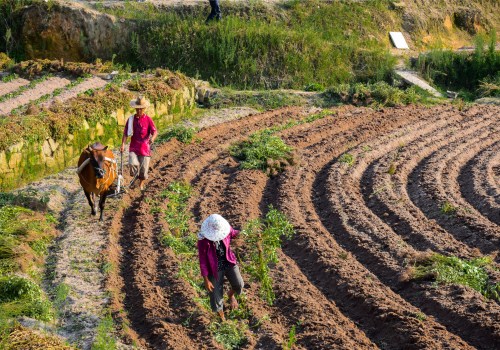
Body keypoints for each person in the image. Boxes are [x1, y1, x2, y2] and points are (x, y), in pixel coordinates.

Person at [197, 214, 244, 321]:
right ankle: (222, 319)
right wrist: (206, 279)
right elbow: (203, 261)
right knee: (216, 295)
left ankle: (231, 295)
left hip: (228, 262)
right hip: (214, 268)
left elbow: (234, 233)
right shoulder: (203, 241)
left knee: (239, 284)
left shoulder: (226, 230)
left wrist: (248, 234)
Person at [120, 96, 158, 191]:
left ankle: (140, 184)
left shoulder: (148, 120)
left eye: (141, 109)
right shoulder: (131, 120)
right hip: (134, 147)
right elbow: (125, 133)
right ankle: (135, 178)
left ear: (144, 109)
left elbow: (155, 131)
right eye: (138, 109)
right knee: (132, 163)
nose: (139, 111)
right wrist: (123, 144)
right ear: (135, 108)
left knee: (144, 170)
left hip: (145, 148)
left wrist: (152, 138)